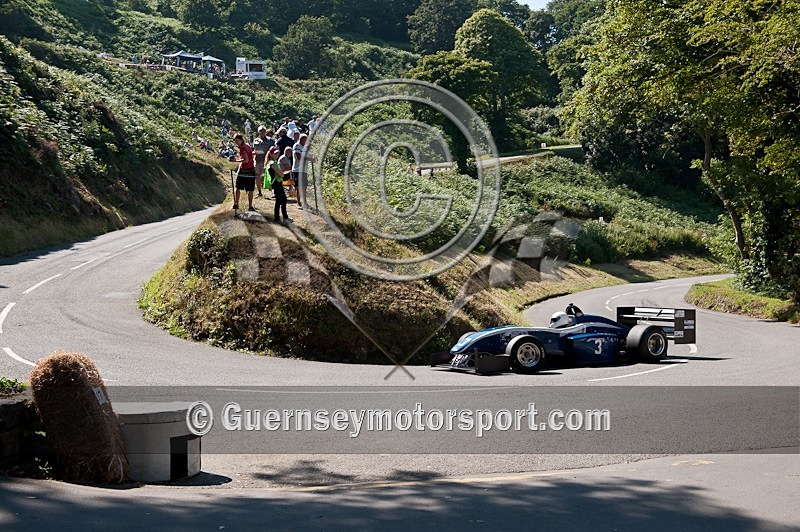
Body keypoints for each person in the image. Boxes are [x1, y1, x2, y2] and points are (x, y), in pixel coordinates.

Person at [231, 134, 257, 212]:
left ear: (241, 140)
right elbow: (249, 156)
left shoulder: (242, 148)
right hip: (251, 169)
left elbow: (246, 160)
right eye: (235, 142)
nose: (236, 143)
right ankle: (250, 206)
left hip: (244, 170)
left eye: (237, 141)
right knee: (250, 189)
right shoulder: (247, 145)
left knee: (238, 187)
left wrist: (236, 161)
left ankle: (236, 203)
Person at [267, 147, 291, 223]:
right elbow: (280, 173)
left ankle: (283, 217)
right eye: (275, 153)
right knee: (280, 201)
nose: (277, 155)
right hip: (276, 184)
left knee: (283, 200)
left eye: (277, 153)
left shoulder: (275, 162)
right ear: (271, 154)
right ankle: (278, 218)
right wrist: (283, 173)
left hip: (278, 183)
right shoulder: (272, 163)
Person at [292, 133, 314, 209]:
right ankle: (299, 203)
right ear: (301, 139)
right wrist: (309, 159)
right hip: (297, 169)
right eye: (304, 139)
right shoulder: (297, 146)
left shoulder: (305, 147)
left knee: (304, 187)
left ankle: (305, 202)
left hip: (304, 170)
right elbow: (298, 157)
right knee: (298, 187)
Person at [252, 125, 274, 198]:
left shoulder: (270, 140)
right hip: (258, 160)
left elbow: (273, 150)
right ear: (258, 132)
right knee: (257, 176)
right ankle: (259, 192)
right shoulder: (255, 140)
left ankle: (273, 191)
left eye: (263, 131)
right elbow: (254, 150)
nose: (262, 132)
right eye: (260, 131)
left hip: (267, 161)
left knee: (270, 176)